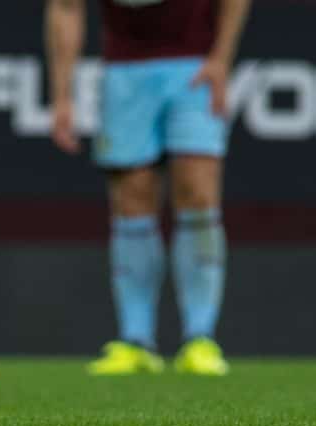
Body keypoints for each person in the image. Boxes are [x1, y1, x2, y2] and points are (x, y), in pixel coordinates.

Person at [45, 0, 251, 376]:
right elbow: (65, 8)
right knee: (131, 198)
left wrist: (221, 58)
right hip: (125, 71)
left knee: (198, 192)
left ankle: (200, 338)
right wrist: (62, 95)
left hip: (195, 63)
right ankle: (136, 339)